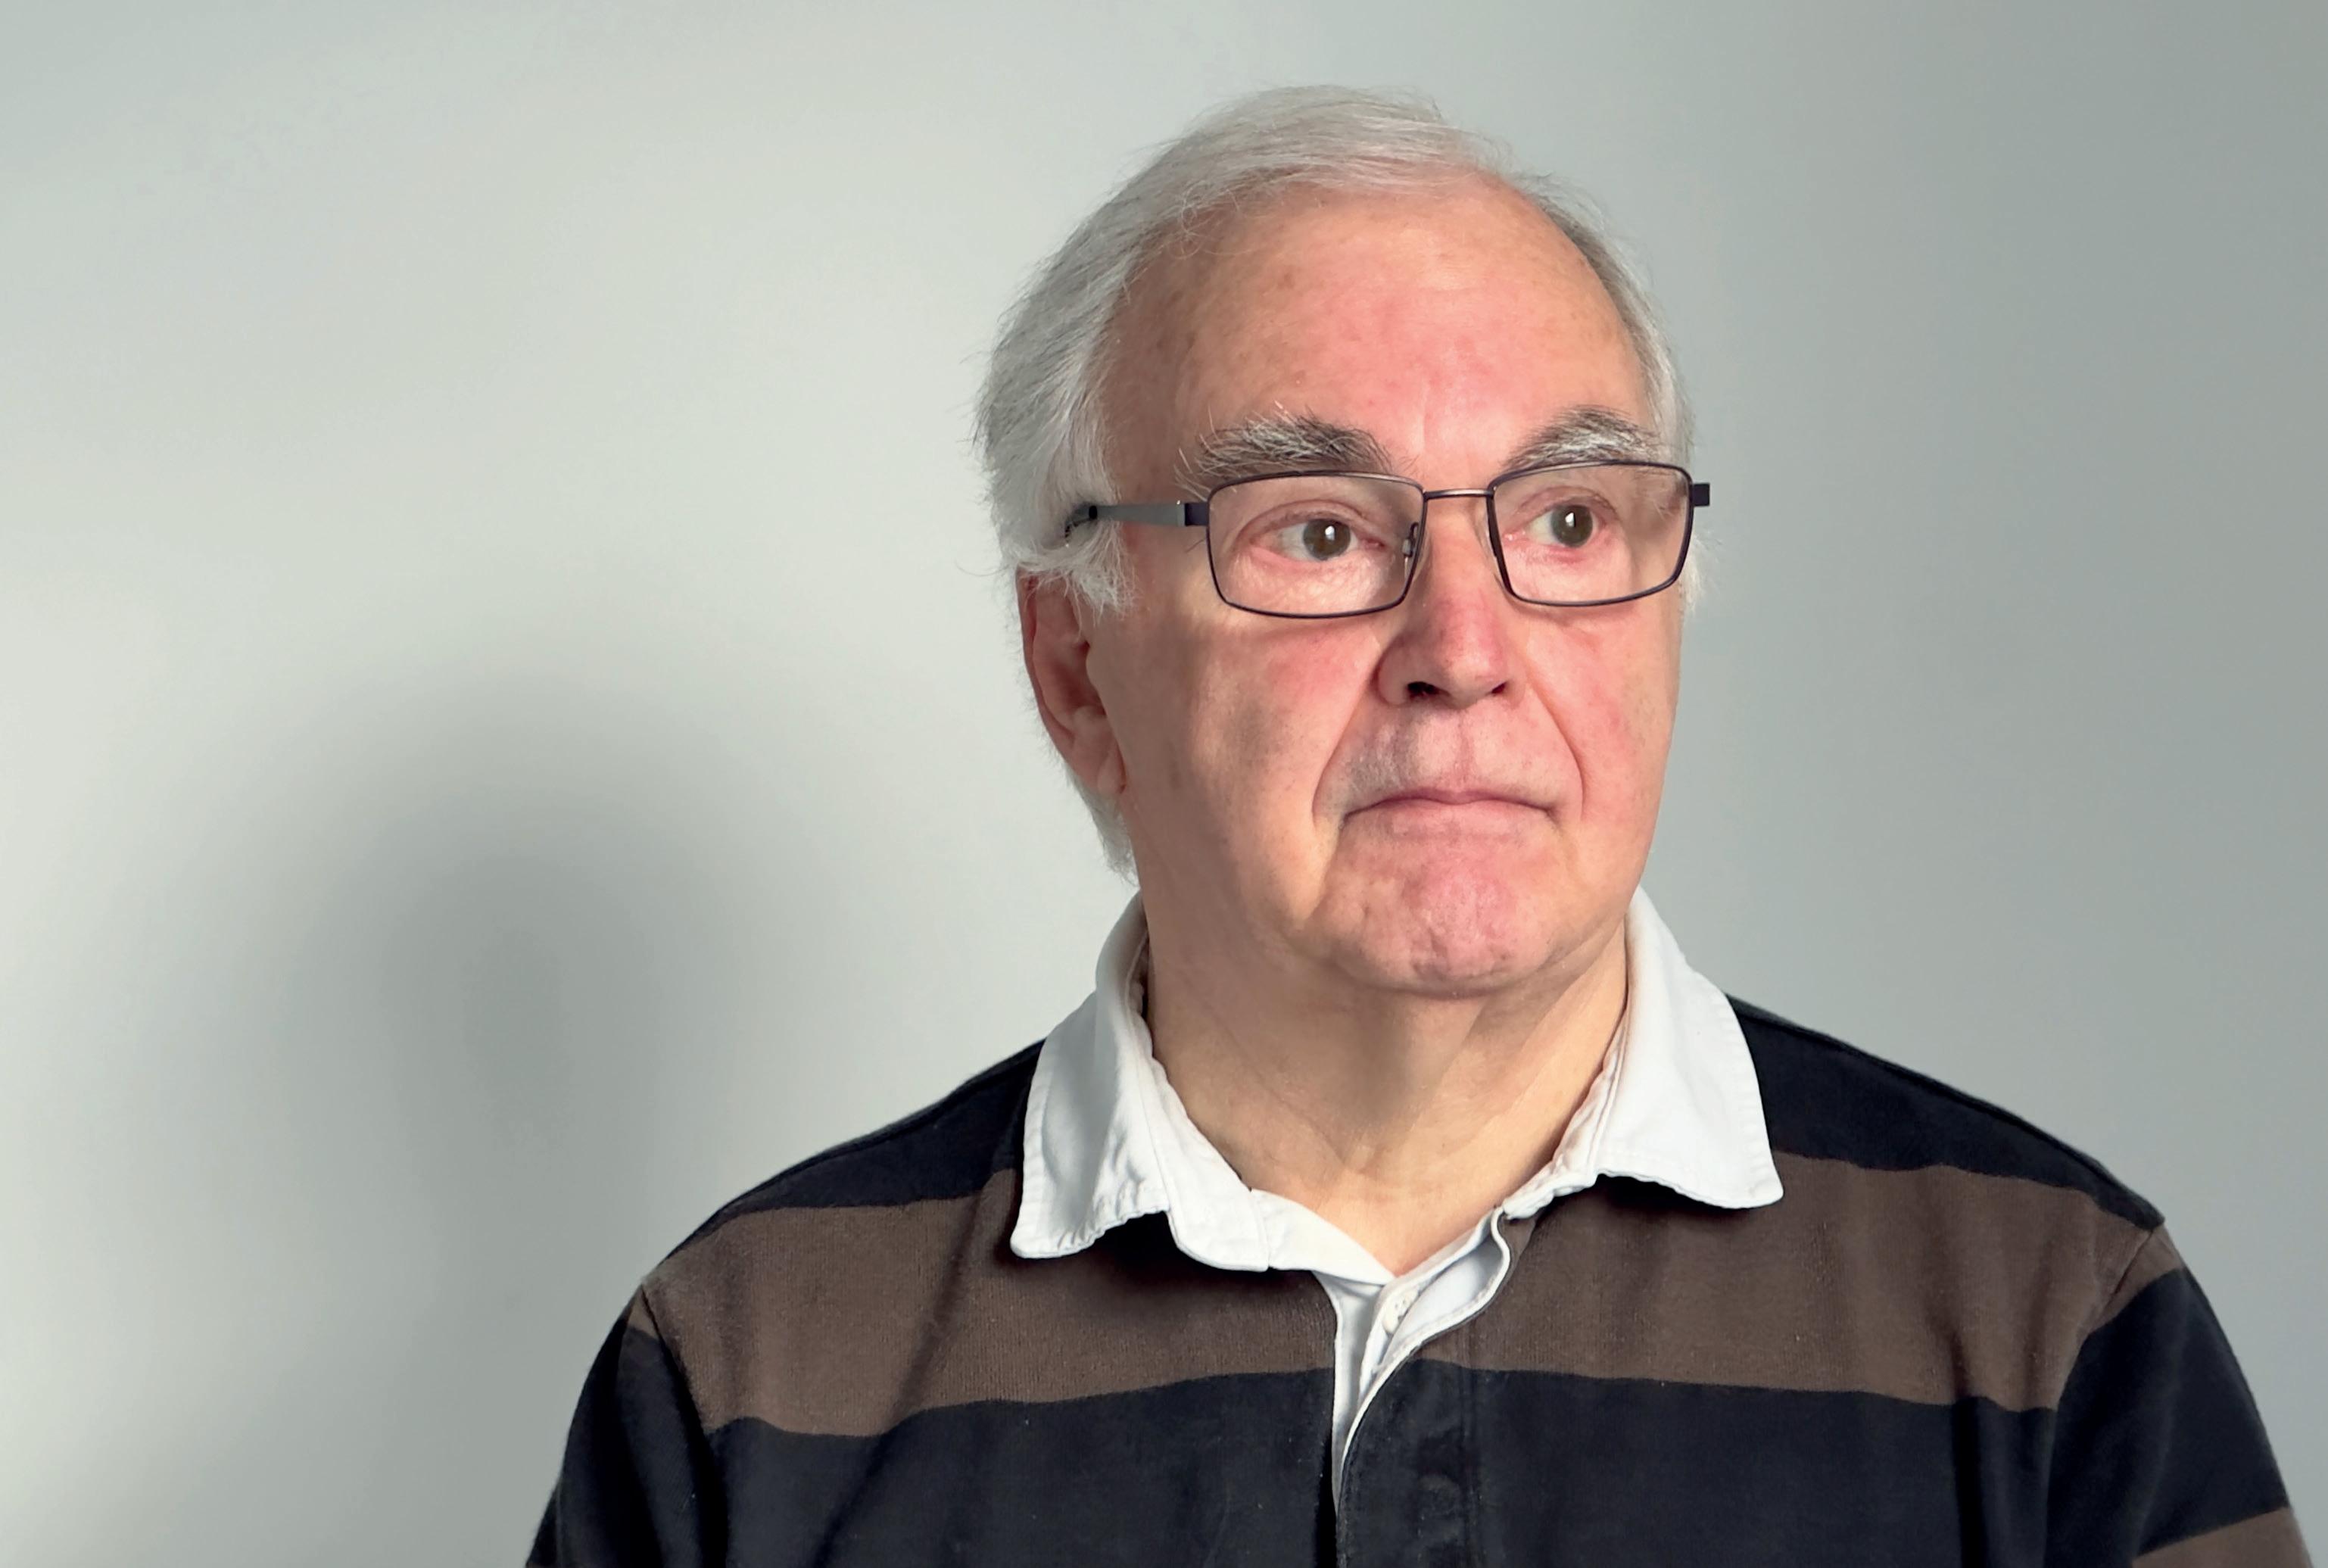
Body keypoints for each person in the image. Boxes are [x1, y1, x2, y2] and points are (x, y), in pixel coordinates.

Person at [529, 87, 2308, 1566]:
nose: (1464, 646)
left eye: (1566, 521)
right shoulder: (750, 1369)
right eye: (1315, 530)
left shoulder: (2048, 1323)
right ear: (1075, 663)